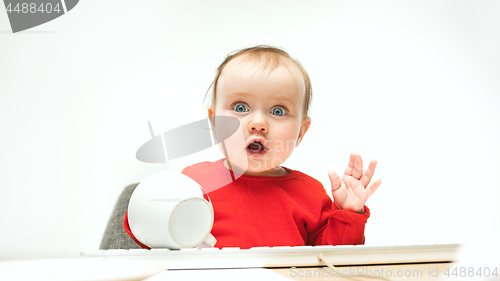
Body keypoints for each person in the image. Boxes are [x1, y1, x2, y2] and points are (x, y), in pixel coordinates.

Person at [124, 45, 381, 249]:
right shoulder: (194, 181)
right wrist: (151, 209)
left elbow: (335, 260)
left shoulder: (311, 195)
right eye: (240, 108)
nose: (258, 123)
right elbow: (150, 238)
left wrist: (349, 213)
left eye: (278, 111)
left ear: (301, 132)